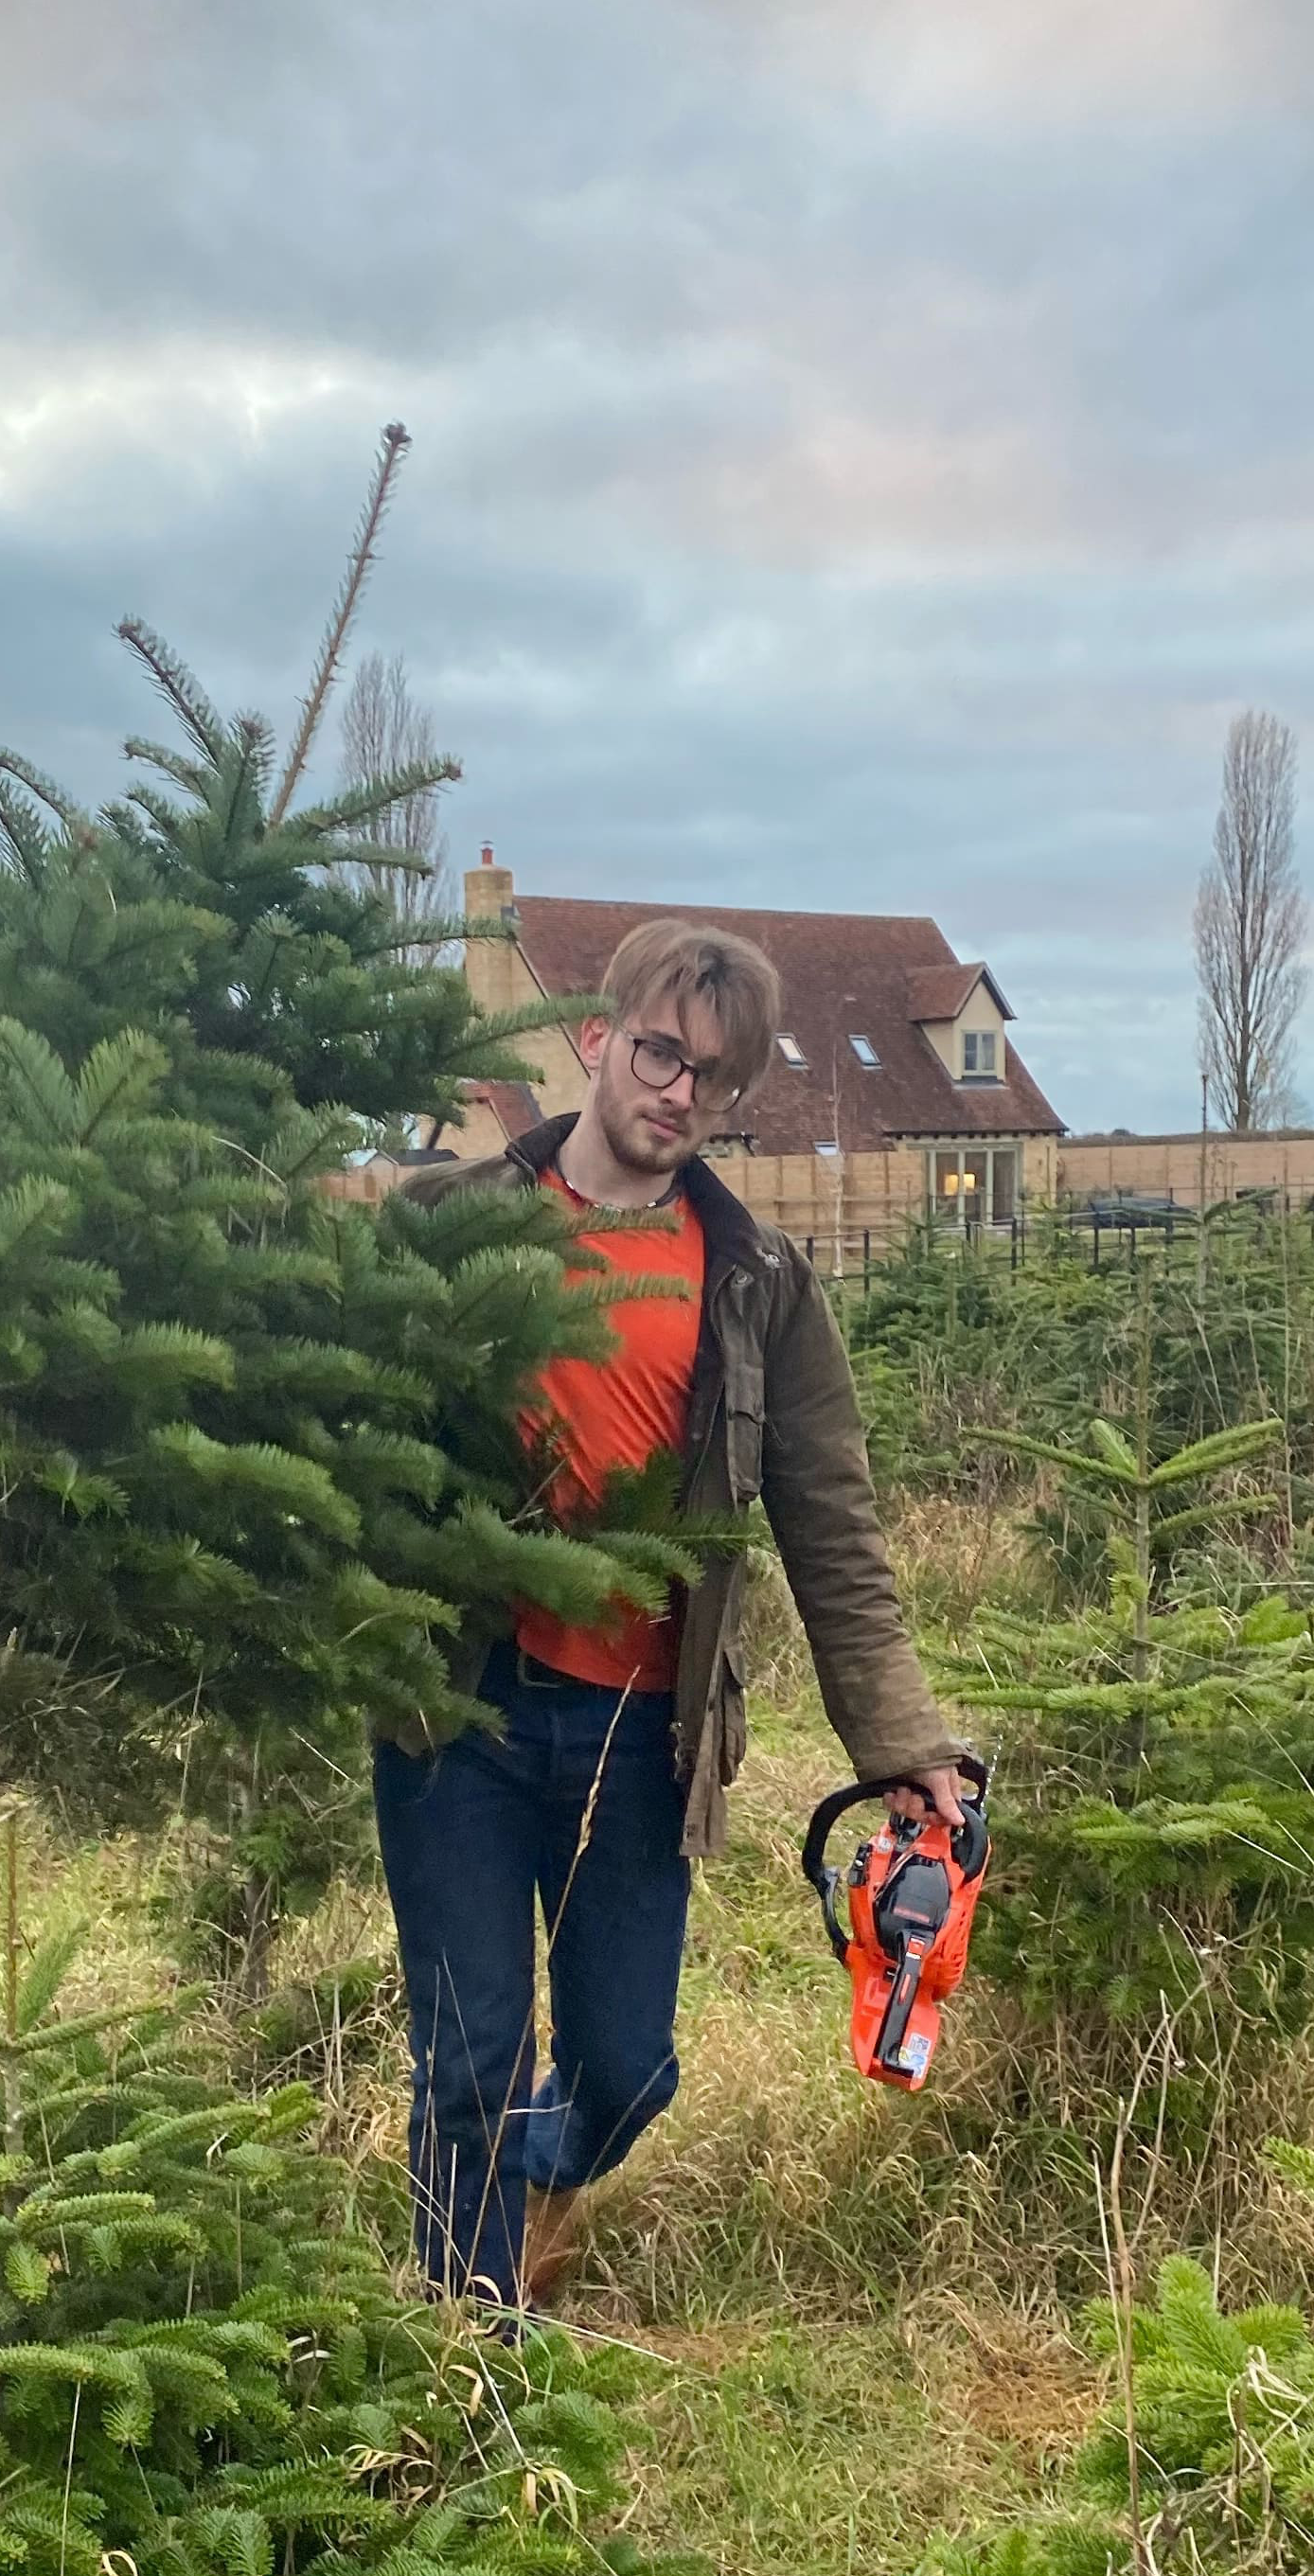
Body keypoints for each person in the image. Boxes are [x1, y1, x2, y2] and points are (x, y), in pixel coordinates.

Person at [376, 917, 967, 2314]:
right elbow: (342, 1445)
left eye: (714, 1077)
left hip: (643, 1736)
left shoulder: (760, 1284)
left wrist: (904, 1744)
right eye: (658, 1052)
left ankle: (514, 2179)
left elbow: (834, 1530)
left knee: (629, 2069)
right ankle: (471, 2374)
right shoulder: (449, 1229)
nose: (678, 1092)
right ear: (596, 1040)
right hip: (461, 1705)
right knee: (468, 2053)